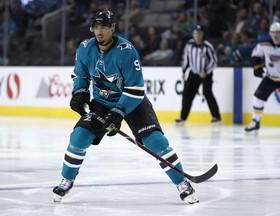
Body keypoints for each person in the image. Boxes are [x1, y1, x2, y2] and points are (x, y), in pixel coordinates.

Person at [53, 10, 199, 204]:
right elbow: (80, 76)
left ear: (112, 28)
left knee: (156, 141)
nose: (99, 32)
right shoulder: (85, 48)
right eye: (96, 27)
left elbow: (135, 89)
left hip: (131, 102)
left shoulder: (126, 50)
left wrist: (118, 113)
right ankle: (67, 180)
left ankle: (182, 182)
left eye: (104, 27)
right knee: (78, 137)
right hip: (102, 103)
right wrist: (80, 93)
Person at [175, 25, 221, 124]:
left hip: (205, 74)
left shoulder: (207, 46)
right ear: (193, 34)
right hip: (193, 73)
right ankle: (183, 117)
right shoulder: (189, 45)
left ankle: (216, 117)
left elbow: (214, 61)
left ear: (202, 34)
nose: (197, 35)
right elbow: (185, 58)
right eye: (196, 33)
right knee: (187, 94)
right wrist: (183, 71)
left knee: (207, 93)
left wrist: (206, 71)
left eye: (199, 33)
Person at [245, 22, 280, 132]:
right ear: (270, 33)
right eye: (273, 32)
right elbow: (255, 55)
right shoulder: (263, 43)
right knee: (257, 98)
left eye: (278, 32)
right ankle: (255, 121)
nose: (276, 35)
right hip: (271, 77)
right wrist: (257, 67)